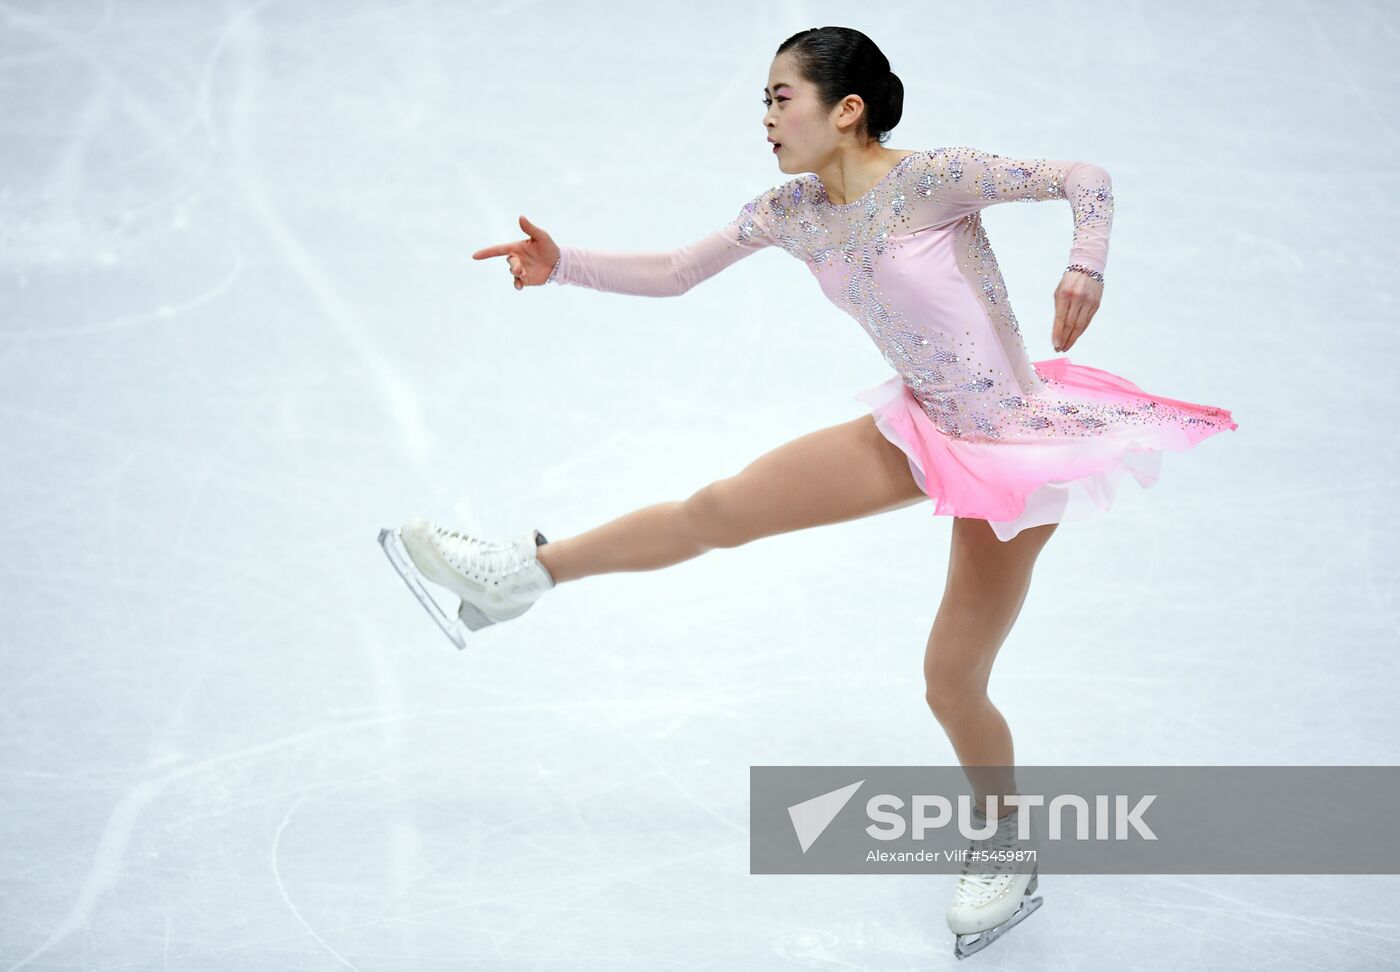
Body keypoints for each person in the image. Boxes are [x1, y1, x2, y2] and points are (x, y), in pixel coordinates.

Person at [382, 25, 1236, 957]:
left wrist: (1086, 261)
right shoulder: (794, 209)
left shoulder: (932, 179)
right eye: (765, 99)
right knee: (718, 510)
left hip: (1009, 447)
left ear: (848, 109)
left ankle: (1007, 841)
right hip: (920, 426)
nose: (766, 116)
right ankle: (521, 576)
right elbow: (676, 273)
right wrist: (565, 265)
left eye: (781, 97)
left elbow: (1087, 176)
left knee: (951, 681)